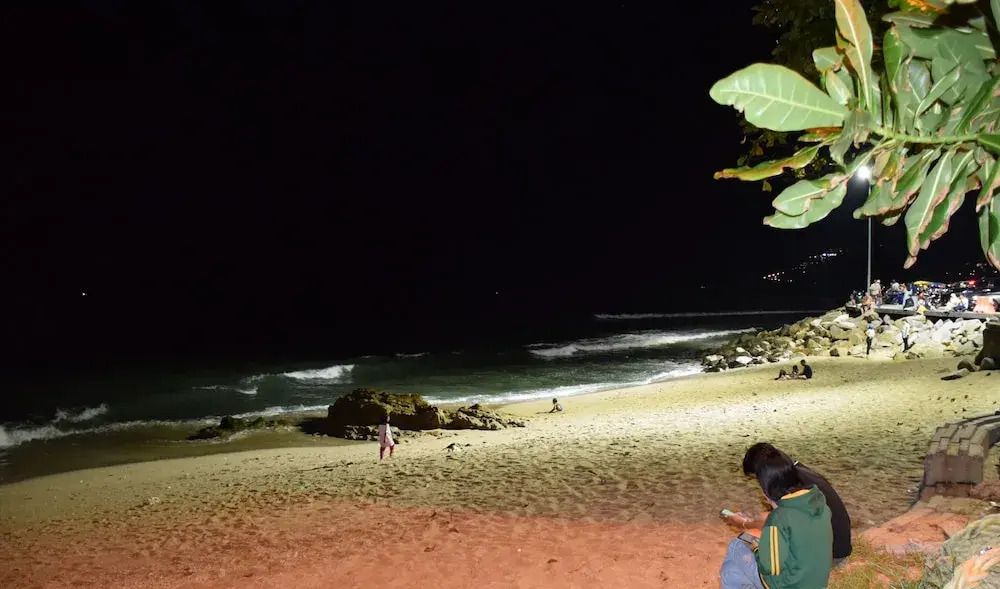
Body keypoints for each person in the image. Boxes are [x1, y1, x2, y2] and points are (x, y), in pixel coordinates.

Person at [719, 444, 834, 588]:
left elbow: (769, 568)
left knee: (736, 545)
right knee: (730, 570)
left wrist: (756, 548)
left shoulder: (778, 518)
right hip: (816, 581)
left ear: (765, 490)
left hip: (788, 585)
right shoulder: (817, 501)